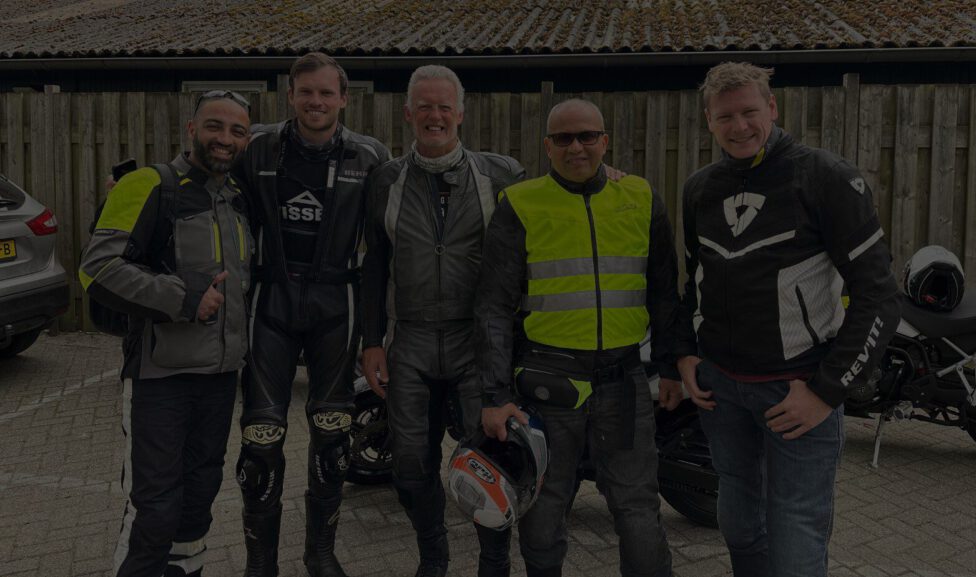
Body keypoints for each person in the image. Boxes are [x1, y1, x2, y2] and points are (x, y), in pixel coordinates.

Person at [678, 62, 900, 577]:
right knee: (737, 525)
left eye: (749, 112)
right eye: (724, 116)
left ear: (772, 108)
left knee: (795, 536)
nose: (739, 127)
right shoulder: (699, 189)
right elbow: (695, 281)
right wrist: (684, 353)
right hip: (721, 393)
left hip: (797, 391)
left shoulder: (827, 177)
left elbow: (878, 296)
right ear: (709, 120)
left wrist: (826, 391)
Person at [475, 98, 684, 577]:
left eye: (587, 136)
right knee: (543, 508)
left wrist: (671, 366)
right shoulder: (520, 203)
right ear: (547, 146)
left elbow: (663, 291)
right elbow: (492, 306)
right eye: (564, 138)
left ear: (604, 141)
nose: (576, 147)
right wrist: (495, 395)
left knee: (637, 507)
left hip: (624, 381)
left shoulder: (640, 196)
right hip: (547, 384)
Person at [360, 65, 526, 577]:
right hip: (408, 340)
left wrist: (606, 174)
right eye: (425, 107)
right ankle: (433, 558)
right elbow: (374, 264)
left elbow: (551, 210)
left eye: (444, 107)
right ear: (408, 113)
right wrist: (371, 340)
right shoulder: (385, 178)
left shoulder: (502, 174)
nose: (435, 116)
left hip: (475, 341)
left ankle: (494, 564)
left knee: (490, 464)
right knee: (410, 468)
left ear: (461, 113)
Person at [79, 90, 253, 577]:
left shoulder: (238, 199)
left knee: (197, 502)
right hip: (159, 380)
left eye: (237, 131)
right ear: (191, 129)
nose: (225, 138)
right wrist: (182, 298)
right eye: (214, 126)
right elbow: (97, 267)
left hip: (220, 379)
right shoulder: (149, 183)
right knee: (154, 512)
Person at [233, 52, 390, 577]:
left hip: (336, 306)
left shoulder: (371, 156)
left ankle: (320, 554)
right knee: (260, 438)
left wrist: (376, 334)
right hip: (270, 302)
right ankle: (260, 563)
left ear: (344, 98)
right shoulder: (256, 147)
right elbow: (202, 176)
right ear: (291, 96)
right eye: (306, 92)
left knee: (332, 436)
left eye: (326, 93)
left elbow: (385, 247)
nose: (316, 102)